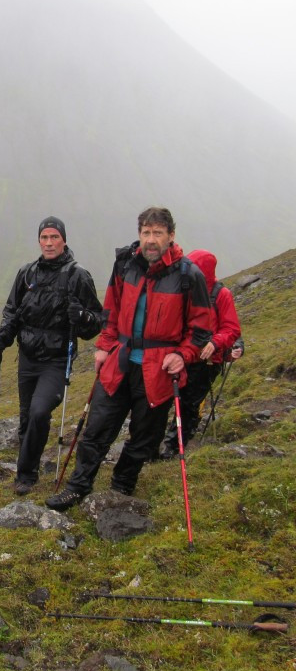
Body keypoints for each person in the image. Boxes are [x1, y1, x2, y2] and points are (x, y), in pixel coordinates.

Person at [46, 207, 213, 511]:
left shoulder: (189, 275)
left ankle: (122, 485)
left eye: (158, 233)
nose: (151, 240)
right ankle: (77, 487)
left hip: (158, 370)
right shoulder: (125, 264)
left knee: (144, 438)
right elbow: (111, 310)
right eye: (146, 233)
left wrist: (182, 355)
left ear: (171, 236)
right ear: (139, 234)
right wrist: (103, 346)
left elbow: (201, 329)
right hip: (119, 362)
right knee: (96, 428)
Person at [0, 216, 103, 495]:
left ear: (64, 240)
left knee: (40, 412)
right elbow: (12, 309)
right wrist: (5, 333)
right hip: (28, 357)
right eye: (45, 237)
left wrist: (82, 317)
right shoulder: (27, 273)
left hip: (56, 360)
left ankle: (25, 474)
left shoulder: (78, 275)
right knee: (27, 418)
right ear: (39, 240)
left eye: (55, 237)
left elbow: (98, 321)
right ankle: (26, 473)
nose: (49, 243)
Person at [159, 249, 243, 458]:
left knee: (189, 404)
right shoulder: (185, 289)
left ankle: (173, 448)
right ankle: (154, 445)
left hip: (206, 361)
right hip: (180, 355)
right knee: (162, 399)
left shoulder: (221, 295)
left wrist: (215, 343)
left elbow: (232, 329)